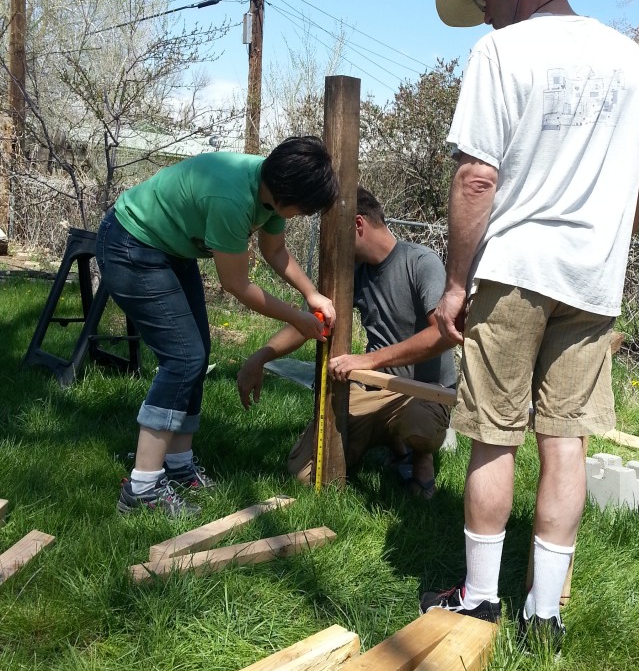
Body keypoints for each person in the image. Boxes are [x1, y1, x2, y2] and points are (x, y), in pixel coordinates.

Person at [419, 0, 639, 633]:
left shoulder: (502, 55)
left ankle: (480, 597)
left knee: (494, 433)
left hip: (516, 269)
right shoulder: (627, 53)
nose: (483, 8)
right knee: (566, 439)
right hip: (593, 280)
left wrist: (458, 284)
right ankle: (543, 614)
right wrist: (609, 236)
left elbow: (475, 179)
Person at [95, 135, 339, 516]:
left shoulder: (270, 189)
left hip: (169, 249)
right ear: (286, 194)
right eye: (303, 210)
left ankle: (177, 467)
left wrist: (311, 294)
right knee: (184, 357)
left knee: (195, 354)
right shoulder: (232, 198)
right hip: (131, 244)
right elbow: (236, 285)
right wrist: (297, 318)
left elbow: (273, 251)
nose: (301, 216)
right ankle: (141, 488)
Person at [237, 186, 456, 497]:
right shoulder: (352, 273)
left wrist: (368, 360)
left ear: (357, 224)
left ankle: (418, 456)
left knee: (418, 428)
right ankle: (390, 442)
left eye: (334, 233)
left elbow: (442, 334)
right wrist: (260, 357)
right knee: (304, 474)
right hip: (375, 386)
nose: (331, 245)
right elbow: (310, 324)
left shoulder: (422, 262)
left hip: (424, 392)